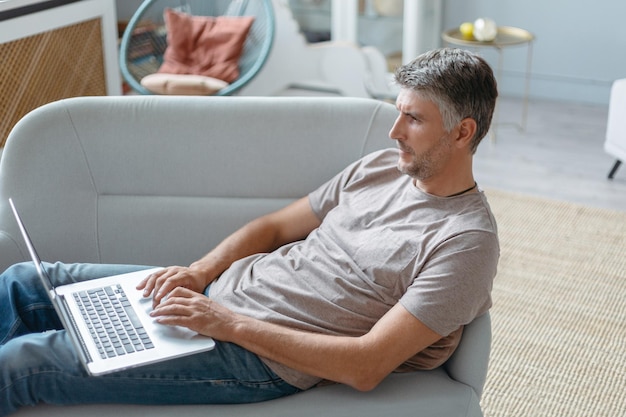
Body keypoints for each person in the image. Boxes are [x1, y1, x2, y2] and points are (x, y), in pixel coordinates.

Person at [0, 47, 499, 415]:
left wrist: (225, 323)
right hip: (214, 298)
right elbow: (276, 225)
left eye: (413, 119)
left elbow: (365, 366)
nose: (394, 132)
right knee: (22, 282)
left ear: (462, 132)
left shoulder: (464, 244)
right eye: (397, 113)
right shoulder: (381, 168)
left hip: (255, 359)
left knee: (24, 362)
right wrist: (199, 273)